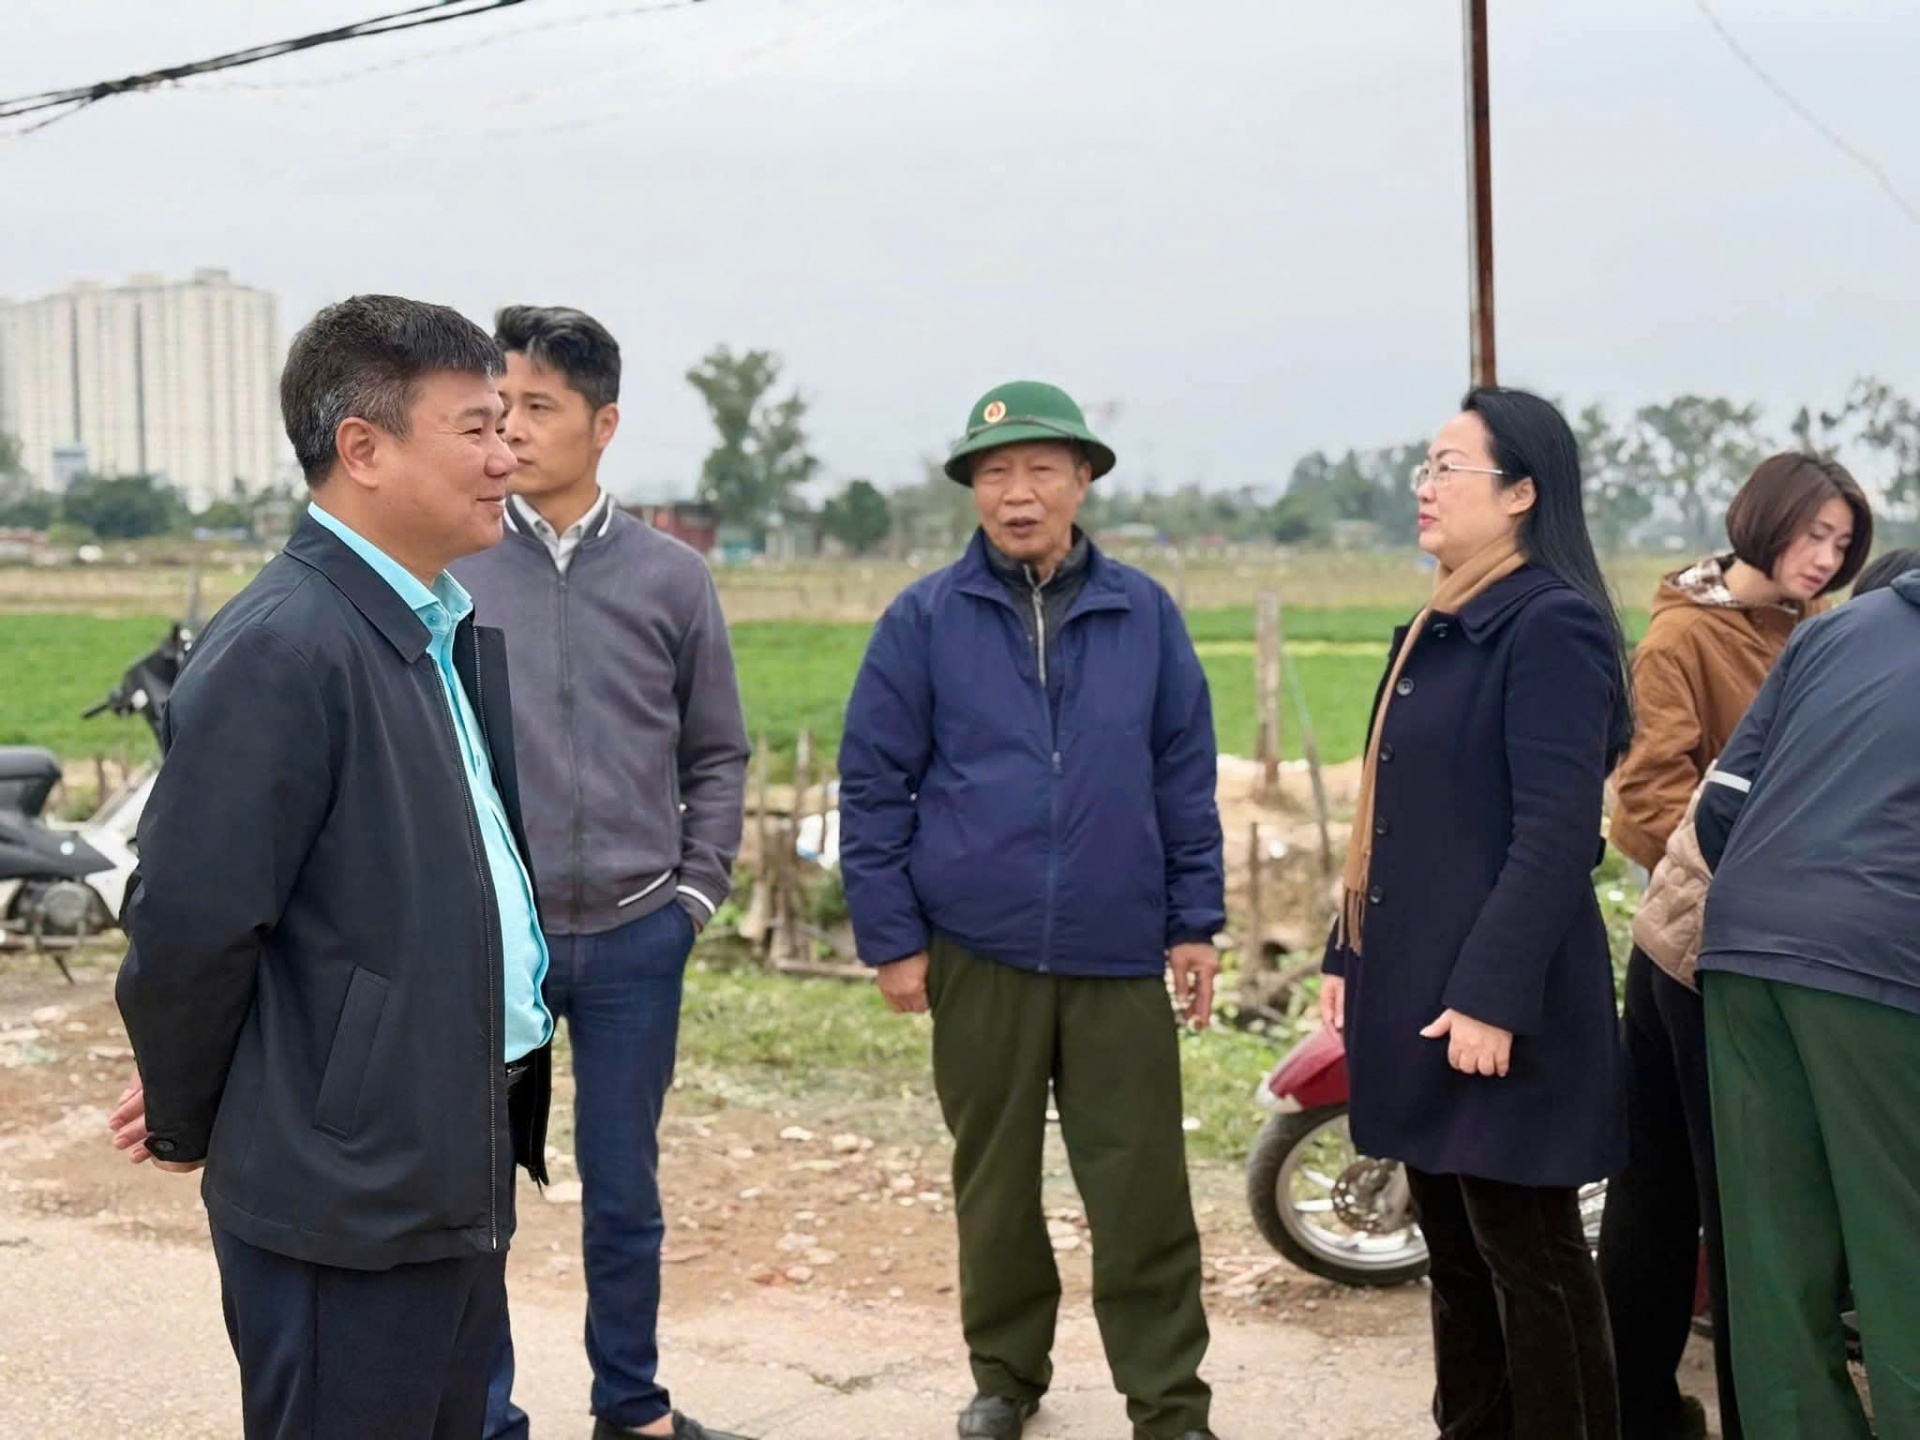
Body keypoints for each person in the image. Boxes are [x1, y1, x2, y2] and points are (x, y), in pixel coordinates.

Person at [109, 294, 552, 1439]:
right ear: (364, 448)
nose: (508, 455)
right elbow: (194, 928)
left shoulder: (424, 628)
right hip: (343, 1190)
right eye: (475, 428)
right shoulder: (286, 648)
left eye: (507, 424)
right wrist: (190, 1107)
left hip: (441, 1148)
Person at [838, 381, 1223, 1440]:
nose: (1018, 494)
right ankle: (1007, 1374)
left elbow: (1184, 774)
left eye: (1041, 469)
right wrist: (892, 940)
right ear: (972, 490)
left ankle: (1169, 1400)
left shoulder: (1142, 612)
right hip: (979, 946)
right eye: (996, 473)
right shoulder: (923, 619)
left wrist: (1195, 922)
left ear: (1082, 479)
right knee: (995, 1181)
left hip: (1115, 945)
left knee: (1141, 1185)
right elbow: (873, 785)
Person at [453, 306, 752, 1440]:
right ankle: (486, 1417)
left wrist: (693, 896)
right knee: (479, 1198)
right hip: (497, 941)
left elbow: (717, 750)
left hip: (636, 937)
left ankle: (630, 1405)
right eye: (499, 409)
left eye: (538, 408)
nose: (512, 431)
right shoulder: (462, 564)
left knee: (623, 1196)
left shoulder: (674, 578)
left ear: (603, 423)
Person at [1319, 386, 1634, 1439]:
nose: (1425, 486)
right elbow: (1392, 814)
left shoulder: (1551, 627)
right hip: (1416, 986)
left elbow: (1556, 836)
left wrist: (1491, 998)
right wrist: (1342, 948)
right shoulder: (1443, 623)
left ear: (1521, 493)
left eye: (1447, 467)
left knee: (1531, 1265)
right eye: (1426, 464)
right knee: (1454, 1261)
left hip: (1504, 1009)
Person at [1598, 453, 1870, 1440]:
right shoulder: (1684, 637)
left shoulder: (1818, 636)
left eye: (1841, 544)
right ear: (1761, 523)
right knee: (1721, 1200)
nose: (1824, 557)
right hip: (1706, 954)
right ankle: (1720, 1413)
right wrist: (1753, 874)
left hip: (1727, 946)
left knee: (1668, 1191)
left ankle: (1644, 1411)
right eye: (1811, 536)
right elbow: (1642, 800)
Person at [1693, 555, 1920, 1440]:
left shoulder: (1831, 631)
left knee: (1773, 1249)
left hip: (1747, 947)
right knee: (1901, 1240)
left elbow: (1722, 804)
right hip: (1881, 963)